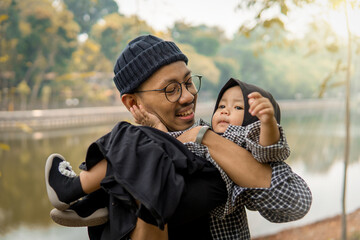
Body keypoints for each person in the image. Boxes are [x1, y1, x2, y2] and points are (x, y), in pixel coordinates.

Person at [45, 35, 312, 240]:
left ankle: (80, 192)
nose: (187, 96)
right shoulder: (126, 151)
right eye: (171, 89)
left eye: (188, 82)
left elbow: (295, 203)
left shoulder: (219, 142)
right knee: (131, 139)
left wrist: (202, 136)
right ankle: (92, 199)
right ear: (132, 102)